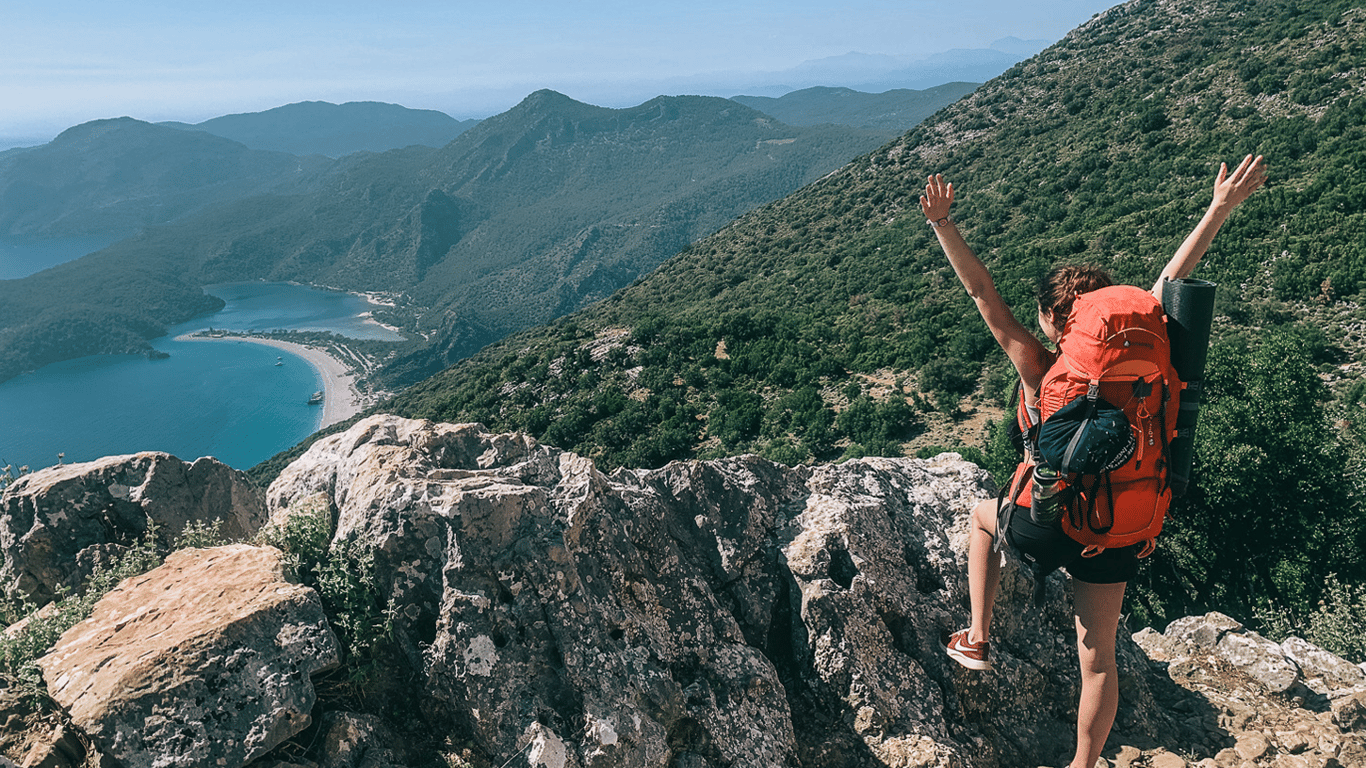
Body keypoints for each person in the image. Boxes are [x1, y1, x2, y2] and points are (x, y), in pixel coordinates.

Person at [920, 154, 1267, 768]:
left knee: (980, 518)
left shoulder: (1040, 361)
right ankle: (1082, 765)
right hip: (1118, 527)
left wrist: (945, 224)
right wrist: (1220, 206)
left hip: (1045, 521)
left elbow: (982, 293)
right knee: (1098, 658)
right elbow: (1171, 277)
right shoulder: (1144, 348)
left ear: (1058, 320)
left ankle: (976, 636)